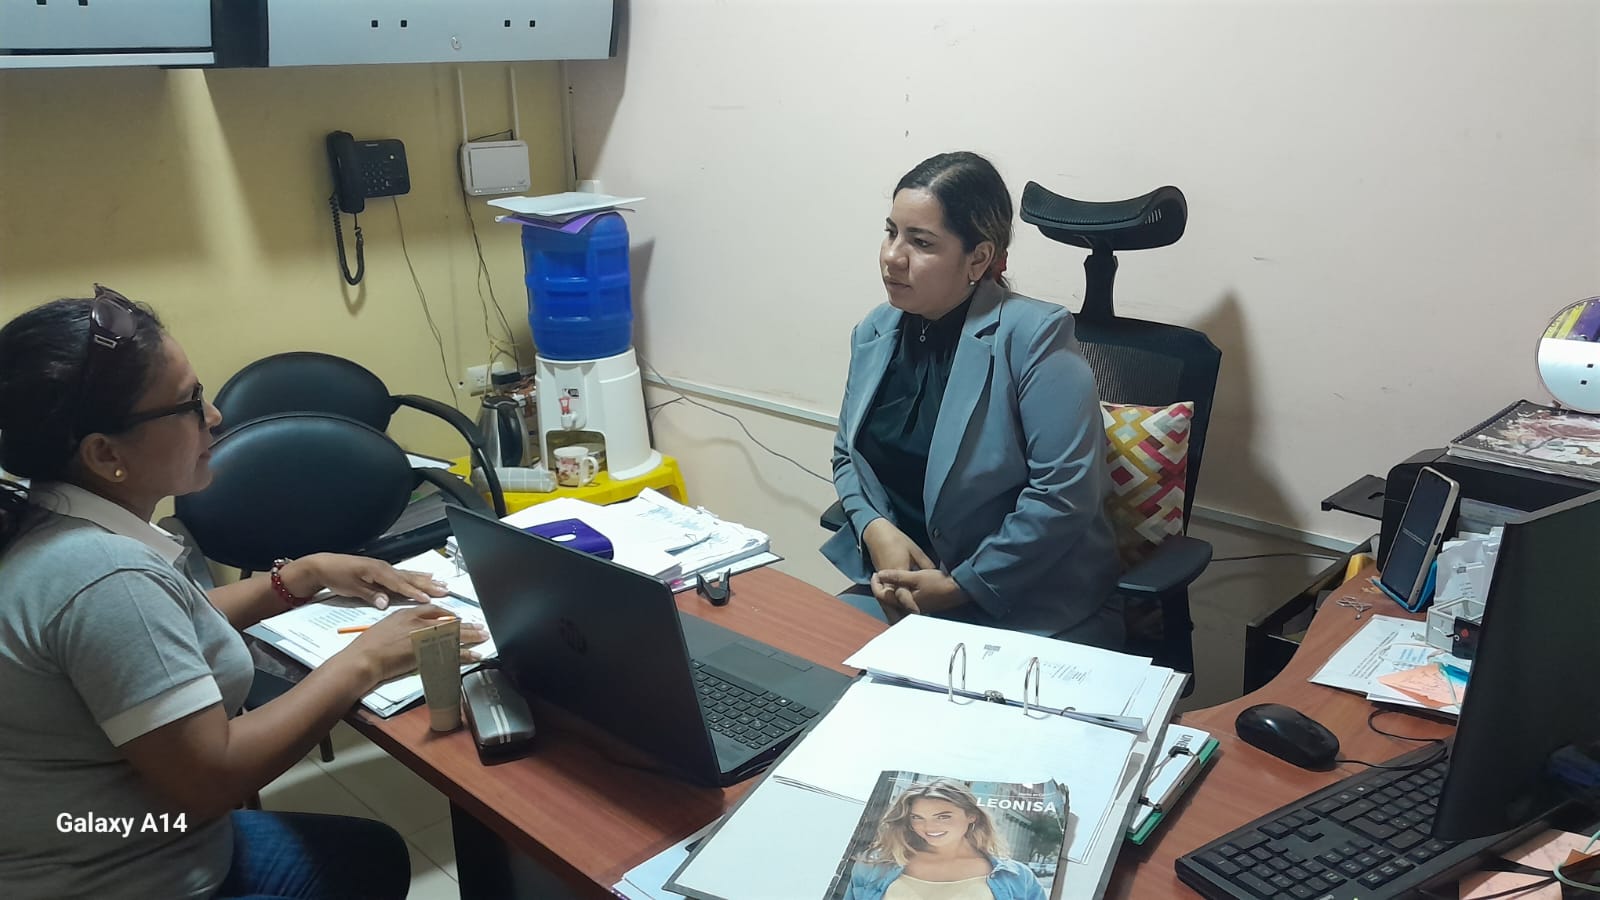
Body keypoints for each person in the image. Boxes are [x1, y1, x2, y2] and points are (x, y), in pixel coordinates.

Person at [0, 286, 489, 899]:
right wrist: (363, 661)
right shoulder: (104, 576)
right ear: (105, 453)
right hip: (122, 877)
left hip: (135, 841)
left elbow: (162, 632)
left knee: (369, 856)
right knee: (369, 860)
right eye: (188, 404)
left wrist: (300, 577)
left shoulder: (52, 520)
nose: (213, 417)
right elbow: (216, 778)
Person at [822, 151, 1123, 646]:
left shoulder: (1034, 337)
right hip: (900, 593)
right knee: (794, 667)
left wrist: (961, 585)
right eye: (891, 232)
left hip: (1020, 602)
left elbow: (1063, 494)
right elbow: (846, 456)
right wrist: (875, 529)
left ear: (978, 259)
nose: (893, 256)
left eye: (921, 242)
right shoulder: (875, 330)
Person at [842, 779, 1047, 900]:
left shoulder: (1017, 877)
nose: (929, 827)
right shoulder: (874, 866)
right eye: (917, 818)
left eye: (943, 817)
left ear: (971, 816)